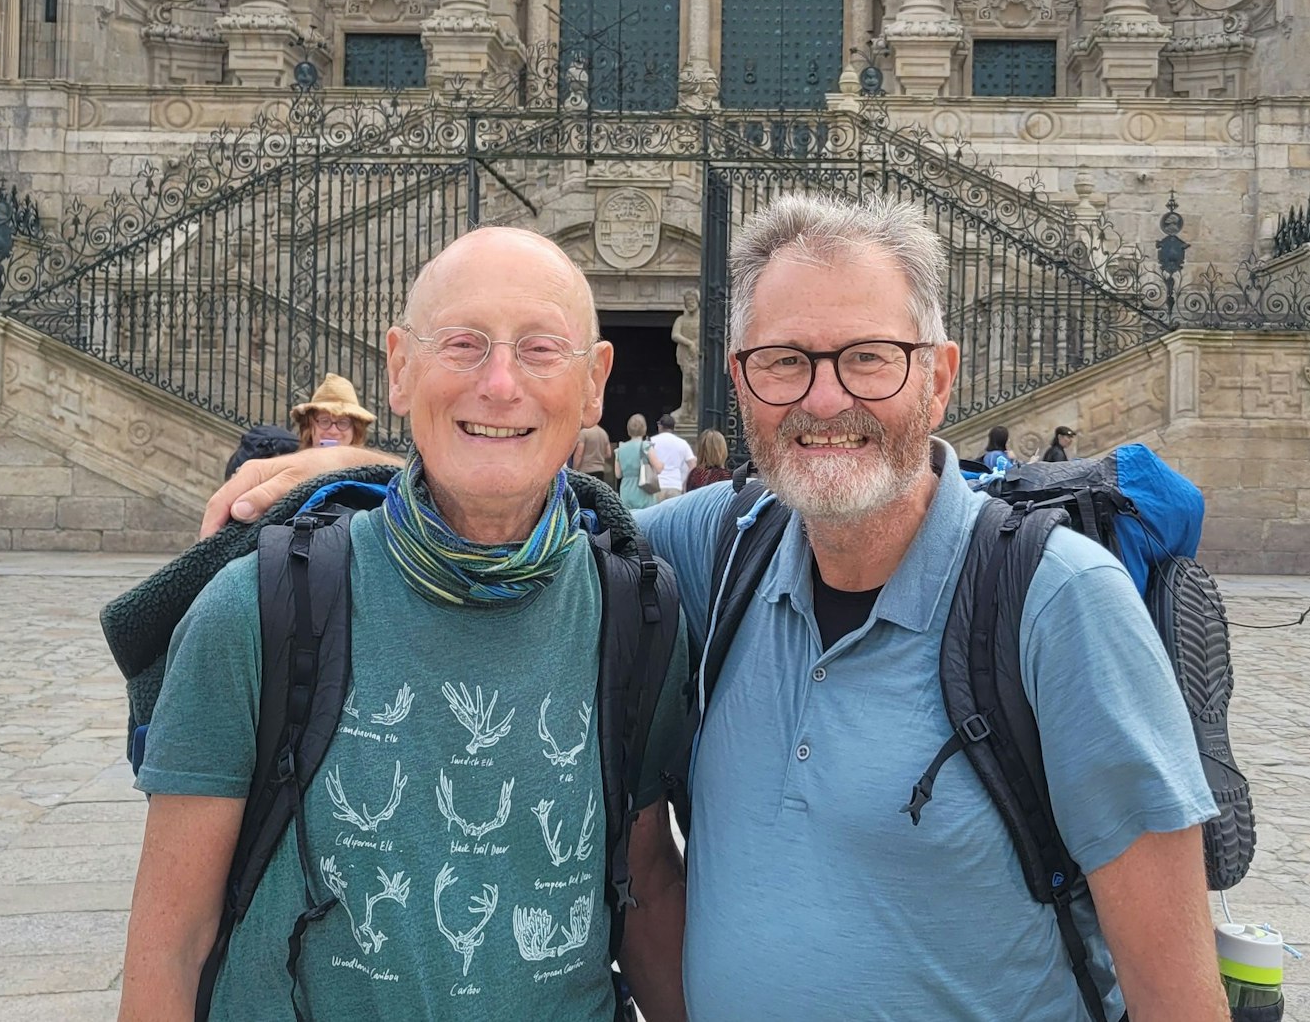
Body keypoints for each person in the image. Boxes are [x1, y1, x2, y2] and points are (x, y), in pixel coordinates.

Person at [196, 201, 1226, 1020]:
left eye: (869, 356)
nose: (825, 399)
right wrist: (368, 466)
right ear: (739, 382)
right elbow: (525, 506)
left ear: (938, 377)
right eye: (785, 361)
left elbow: (1176, 995)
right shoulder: (714, 550)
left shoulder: (1058, 604)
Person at [122, 227, 690, 1022]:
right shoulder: (257, 608)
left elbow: (647, 881)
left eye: (539, 349)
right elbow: (171, 946)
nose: (500, 383)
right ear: (398, 368)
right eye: (462, 344)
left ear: (594, 381)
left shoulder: (640, 609)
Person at [293, 373, 375, 450]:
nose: (333, 431)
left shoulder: (367, 461)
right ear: (309, 427)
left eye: (343, 423)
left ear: (355, 430)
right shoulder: (293, 460)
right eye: (324, 421)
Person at [614, 414, 661, 510]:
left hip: (626, 491)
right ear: (644, 429)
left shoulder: (620, 449)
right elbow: (658, 468)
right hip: (643, 490)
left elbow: (618, 474)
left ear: (628, 430)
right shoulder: (646, 446)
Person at [647, 414, 695, 502]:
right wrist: (685, 482)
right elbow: (692, 465)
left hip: (657, 485)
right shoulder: (682, 443)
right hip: (675, 485)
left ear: (660, 426)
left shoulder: (651, 441)